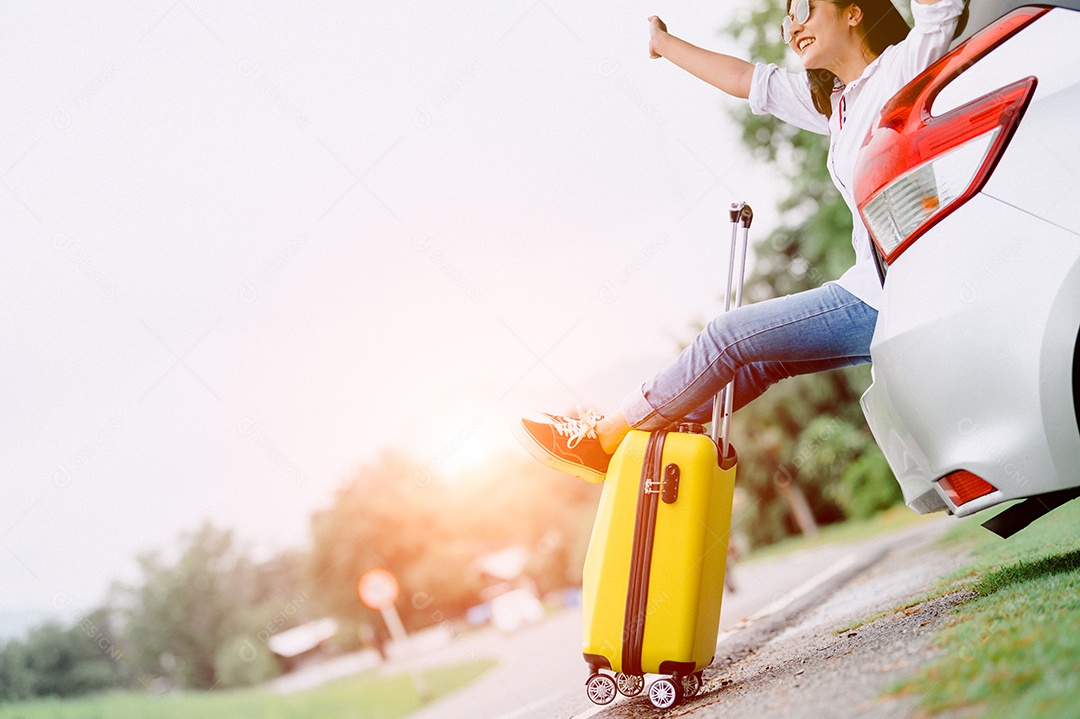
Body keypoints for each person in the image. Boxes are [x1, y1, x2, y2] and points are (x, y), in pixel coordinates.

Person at [516, 0, 966, 484]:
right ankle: (646, 434)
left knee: (728, 335)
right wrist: (663, 44)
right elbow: (746, 80)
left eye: (804, 10)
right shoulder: (838, 107)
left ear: (853, 13)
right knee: (757, 364)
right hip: (873, 288)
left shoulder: (902, 69)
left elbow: (941, 12)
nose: (791, 27)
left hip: (892, 292)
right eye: (787, 17)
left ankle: (602, 439)